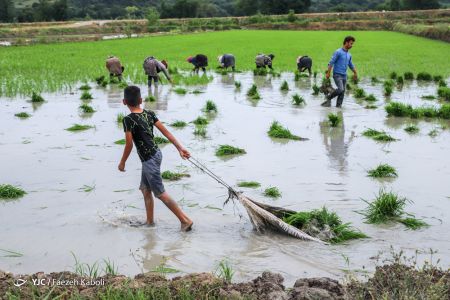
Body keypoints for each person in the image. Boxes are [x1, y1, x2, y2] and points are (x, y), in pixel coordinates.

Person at [118, 86, 193, 231]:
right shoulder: (149, 113)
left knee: (159, 193)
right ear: (141, 100)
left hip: (149, 159)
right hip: (156, 154)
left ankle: (185, 220)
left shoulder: (128, 119)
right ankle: (150, 222)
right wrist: (180, 148)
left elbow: (128, 145)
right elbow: (166, 132)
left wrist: (122, 163)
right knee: (146, 190)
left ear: (124, 101)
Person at [321, 36, 358, 108]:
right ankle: (329, 97)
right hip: (337, 75)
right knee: (341, 89)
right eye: (351, 43)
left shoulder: (349, 54)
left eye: (352, 44)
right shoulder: (338, 52)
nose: (352, 45)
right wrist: (328, 73)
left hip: (344, 75)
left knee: (342, 92)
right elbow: (331, 62)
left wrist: (355, 72)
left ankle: (338, 107)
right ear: (346, 43)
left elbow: (350, 64)